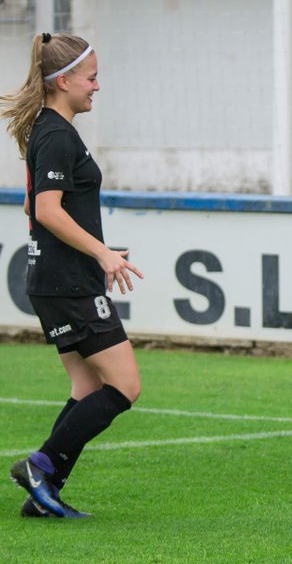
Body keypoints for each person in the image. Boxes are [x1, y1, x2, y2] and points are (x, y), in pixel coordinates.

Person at [3, 33, 144, 518]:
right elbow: (46, 209)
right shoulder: (57, 134)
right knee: (124, 386)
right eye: (91, 78)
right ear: (63, 81)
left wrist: (93, 249)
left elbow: (32, 205)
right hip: (68, 284)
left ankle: (44, 493)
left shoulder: (46, 129)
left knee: (87, 389)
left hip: (56, 280)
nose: (97, 86)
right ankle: (41, 466)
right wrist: (101, 253)